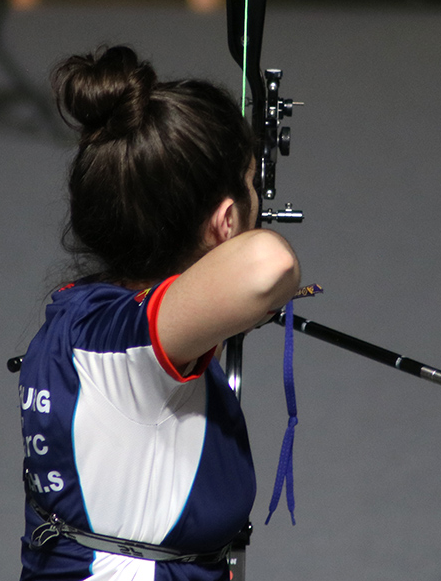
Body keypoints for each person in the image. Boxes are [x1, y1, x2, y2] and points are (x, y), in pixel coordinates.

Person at [18, 45, 300, 581]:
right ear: (224, 222)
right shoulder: (129, 342)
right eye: (251, 191)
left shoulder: (83, 317)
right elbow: (268, 263)